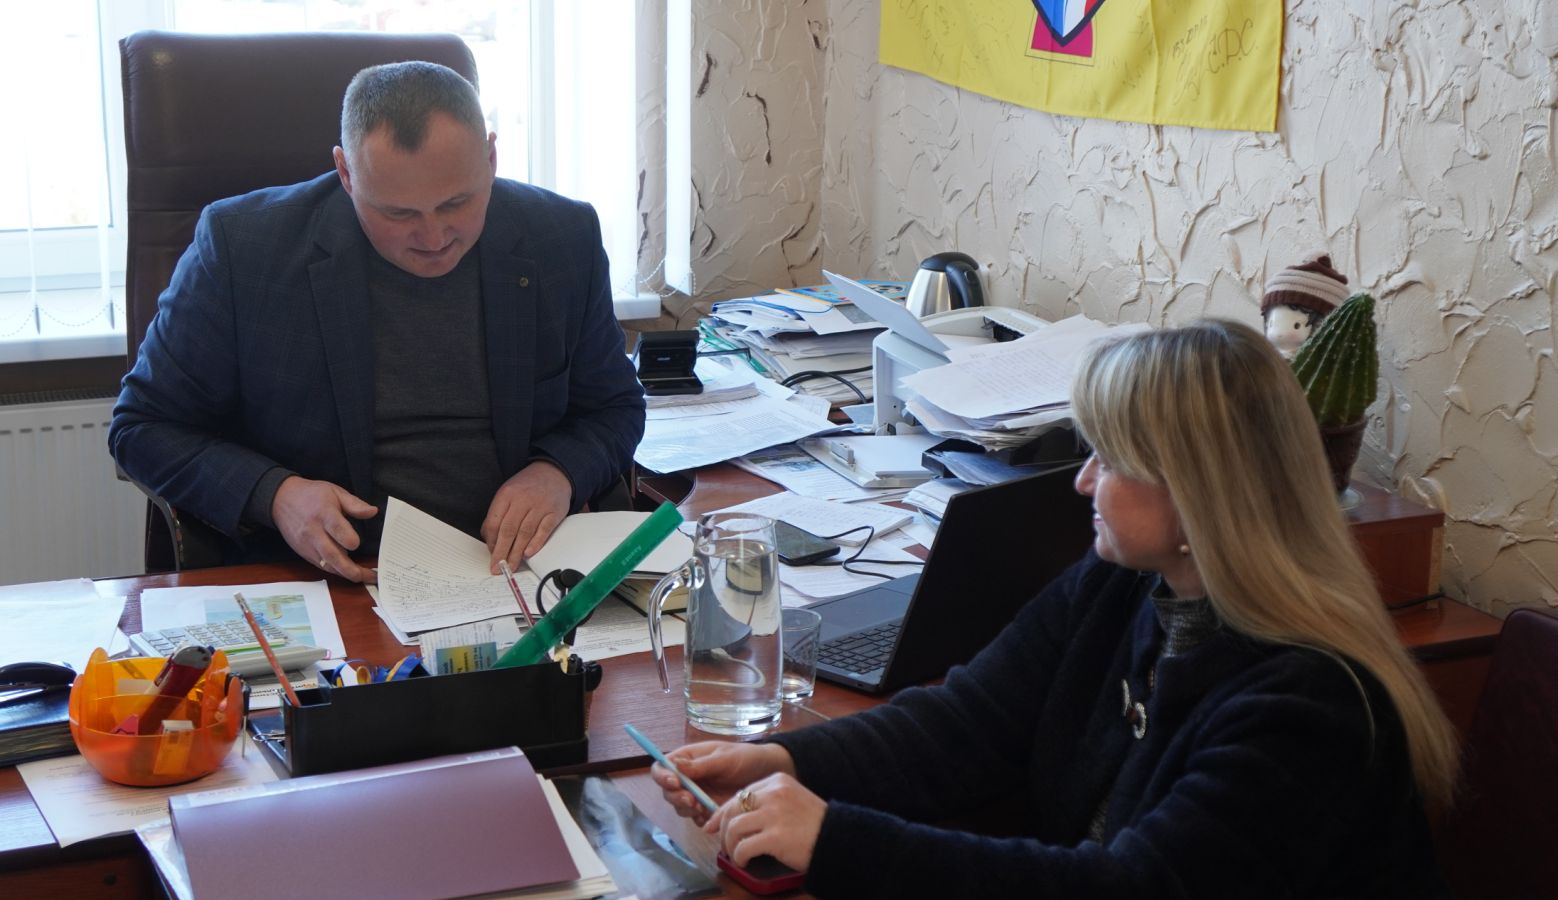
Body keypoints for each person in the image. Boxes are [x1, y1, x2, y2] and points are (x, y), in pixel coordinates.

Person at [652, 319, 1458, 897]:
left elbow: (1132, 887)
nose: (1082, 481)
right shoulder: (1123, 584)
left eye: (1109, 458)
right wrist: (787, 762)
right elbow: (966, 723)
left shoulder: (1308, 708)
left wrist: (837, 840)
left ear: (1198, 494)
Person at [110, 62, 643, 582]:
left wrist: (557, 473)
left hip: (514, 573)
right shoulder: (243, 248)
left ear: (490, 157)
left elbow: (613, 407)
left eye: (456, 203)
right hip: (334, 576)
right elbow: (143, 427)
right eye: (398, 213)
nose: (434, 237)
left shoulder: (561, 238)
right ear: (346, 173)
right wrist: (276, 494)